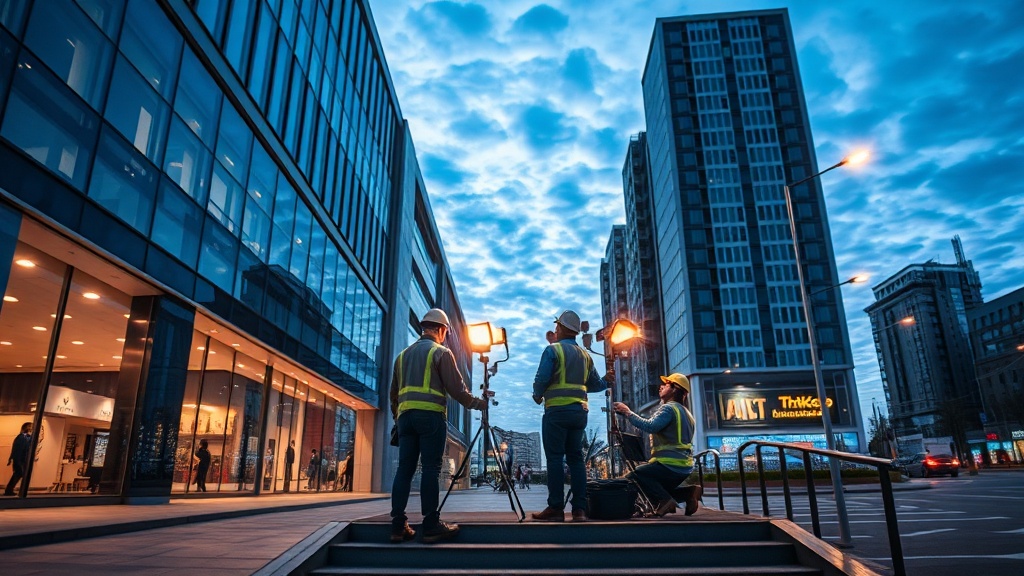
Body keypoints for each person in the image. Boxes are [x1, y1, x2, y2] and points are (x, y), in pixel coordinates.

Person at [390, 308, 486, 544]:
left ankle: (397, 525)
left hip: (405, 419)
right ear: (442, 330)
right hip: (430, 417)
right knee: (431, 469)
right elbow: (457, 390)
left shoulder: (402, 356)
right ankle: (431, 524)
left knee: (405, 469)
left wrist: (398, 419)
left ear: (424, 328)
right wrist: (478, 403)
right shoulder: (441, 353)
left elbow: (394, 394)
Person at [531, 310, 612, 523]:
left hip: (556, 412)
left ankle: (556, 508)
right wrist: (608, 380)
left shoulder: (553, 350)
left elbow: (542, 378)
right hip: (579, 413)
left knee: (555, 459)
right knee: (576, 460)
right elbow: (595, 385)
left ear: (560, 328)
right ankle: (580, 511)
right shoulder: (586, 356)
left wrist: (537, 394)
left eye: (557, 326)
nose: (555, 330)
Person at [612, 373, 702, 516]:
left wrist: (628, 412)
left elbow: (651, 426)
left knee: (635, 477)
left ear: (675, 389)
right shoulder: (686, 413)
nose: (661, 387)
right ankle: (688, 492)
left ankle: (664, 501)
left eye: (666, 385)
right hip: (684, 466)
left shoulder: (669, 409)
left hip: (669, 464)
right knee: (656, 485)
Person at [4, 422, 32, 496]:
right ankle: (9, 490)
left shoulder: (27, 438)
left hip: (22, 459)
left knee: (18, 474)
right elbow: (17, 449)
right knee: (18, 473)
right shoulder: (21, 437)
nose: (31, 428)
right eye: (29, 427)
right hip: (19, 459)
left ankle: (9, 489)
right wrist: (13, 458)